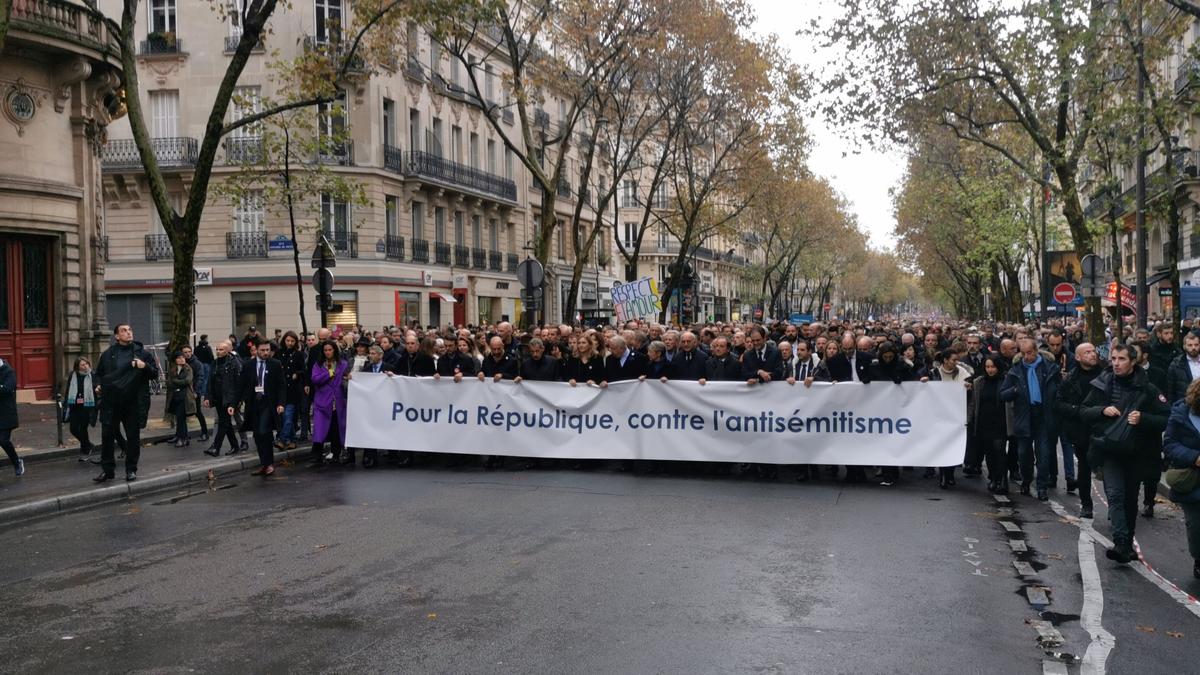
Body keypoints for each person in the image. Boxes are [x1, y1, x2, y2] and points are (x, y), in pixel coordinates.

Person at [1081, 343, 1169, 564]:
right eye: (1113, 359)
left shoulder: (1148, 389)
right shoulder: (1103, 383)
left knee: (1130, 499)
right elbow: (1084, 411)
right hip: (1109, 450)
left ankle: (1127, 543)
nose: (1116, 363)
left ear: (1133, 362)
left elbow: (1166, 418)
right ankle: (1120, 542)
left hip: (1136, 452)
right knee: (1115, 495)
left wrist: (1143, 419)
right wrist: (1102, 410)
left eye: (1121, 359)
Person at [93, 324, 159, 482]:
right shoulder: (108, 354)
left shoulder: (142, 353)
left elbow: (155, 373)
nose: (128, 333)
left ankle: (131, 470)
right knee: (107, 436)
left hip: (133, 402)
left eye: (130, 330)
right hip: (111, 402)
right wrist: (97, 386)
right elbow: (99, 374)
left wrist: (144, 366)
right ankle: (108, 470)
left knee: (133, 437)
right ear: (116, 336)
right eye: (124, 331)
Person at [1000, 338, 1060, 500]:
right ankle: (1026, 480)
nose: (1027, 357)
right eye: (1023, 353)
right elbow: (1003, 394)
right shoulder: (1016, 370)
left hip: (1044, 416)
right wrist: (1014, 390)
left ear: (1036, 351)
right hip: (1024, 416)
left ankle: (1042, 487)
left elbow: (1059, 391)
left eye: (1029, 353)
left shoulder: (1049, 368)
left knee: (1044, 454)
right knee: (1024, 454)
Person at [1054, 342, 1105, 518]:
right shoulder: (1070, 379)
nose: (1092, 354)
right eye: (1087, 352)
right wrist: (1078, 411)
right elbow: (1059, 404)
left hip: (1103, 428)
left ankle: (1114, 507)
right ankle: (1086, 504)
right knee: (1084, 469)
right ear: (1078, 357)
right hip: (1081, 430)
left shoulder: (1106, 375)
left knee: (1107, 470)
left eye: (1093, 351)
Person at [1162, 378, 1200, 580]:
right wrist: (1194, 457)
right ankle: (1199, 558)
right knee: (1196, 524)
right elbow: (1169, 444)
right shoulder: (1181, 414)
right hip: (1192, 478)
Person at [239, 338, 285, 476]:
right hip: (253, 403)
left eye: (268, 350)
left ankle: (269, 463)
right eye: (262, 350)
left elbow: (281, 386)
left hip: (268, 402)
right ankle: (264, 464)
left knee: (264, 430)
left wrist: (281, 403)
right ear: (256, 350)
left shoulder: (275, 364)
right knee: (257, 434)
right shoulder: (248, 365)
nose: (266, 353)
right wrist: (235, 402)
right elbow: (242, 385)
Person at [930, 349, 973, 488]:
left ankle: (950, 473)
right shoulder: (934, 373)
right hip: (939, 415)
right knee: (943, 445)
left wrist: (968, 387)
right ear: (945, 360)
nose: (956, 362)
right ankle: (943, 475)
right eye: (953, 360)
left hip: (956, 415)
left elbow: (969, 389)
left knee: (953, 445)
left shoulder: (962, 373)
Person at [310, 340, 351, 467]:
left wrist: (348, 378)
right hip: (322, 401)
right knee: (320, 429)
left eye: (330, 350)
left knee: (336, 429)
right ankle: (317, 455)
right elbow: (315, 379)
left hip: (338, 402)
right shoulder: (318, 364)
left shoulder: (343, 364)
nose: (328, 352)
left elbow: (347, 378)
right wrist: (329, 373)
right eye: (325, 350)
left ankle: (336, 454)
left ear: (334, 350)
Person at [972, 356, 1009, 494]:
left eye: (993, 367)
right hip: (984, 421)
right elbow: (974, 403)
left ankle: (1003, 479)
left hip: (1000, 421)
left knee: (999, 450)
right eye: (987, 367)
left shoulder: (1005, 381)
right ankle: (993, 477)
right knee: (989, 452)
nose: (990, 370)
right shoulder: (979, 382)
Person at [204, 340, 243, 457]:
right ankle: (235, 446)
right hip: (218, 398)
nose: (218, 351)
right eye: (217, 349)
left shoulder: (233, 363)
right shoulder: (214, 363)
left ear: (227, 351)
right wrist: (207, 396)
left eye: (221, 350)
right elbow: (210, 381)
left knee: (223, 423)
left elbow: (237, 384)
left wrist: (235, 402)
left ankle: (216, 447)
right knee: (226, 424)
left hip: (229, 398)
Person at [274, 331, 306, 450]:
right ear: (284, 341)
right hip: (281, 390)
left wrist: (297, 374)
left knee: (288, 416)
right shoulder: (279, 353)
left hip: (293, 390)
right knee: (286, 417)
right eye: (288, 341)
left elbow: (303, 370)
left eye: (292, 341)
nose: (290, 343)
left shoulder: (298, 354)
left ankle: (282, 439)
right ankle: (291, 440)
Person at [64, 357, 99, 462]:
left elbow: (98, 389)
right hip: (75, 406)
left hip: (87, 406)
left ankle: (85, 450)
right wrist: (66, 404)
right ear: (77, 366)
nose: (85, 366)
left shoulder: (92, 375)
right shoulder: (73, 375)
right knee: (73, 429)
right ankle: (88, 445)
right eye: (82, 365)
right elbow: (68, 389)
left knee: (83, 428)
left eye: (86, 364)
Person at [165, 351, 195, 447]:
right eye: (179, 358)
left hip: (185, 396)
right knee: (179, 417)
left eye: (183, 357)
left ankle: (182, 438)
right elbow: (169, 382)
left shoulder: (188, 368)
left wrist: (175, 381)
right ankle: (182, 437)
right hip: (175, 396)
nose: (182, 359)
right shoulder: (173, 369)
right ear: (175, 360)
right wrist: (175, 382)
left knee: (181, 418)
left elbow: (187, 381)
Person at [0, 356, 23, 479]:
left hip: (6, 414)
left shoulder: (9, 372)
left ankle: (17, 462)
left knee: (3, 440)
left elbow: (8, 389)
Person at [180, 346, 209, 443]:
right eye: (185, 352)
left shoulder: (197, 363)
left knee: (197, 412)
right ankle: (183, 435)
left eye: (189, 351)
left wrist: (196, 391)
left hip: (194, 392)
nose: (188, 354)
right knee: (182, 413)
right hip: (184, 391)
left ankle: (205, 433)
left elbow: (200, 377)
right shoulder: (182, 362)